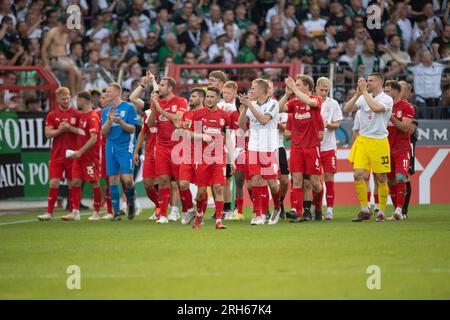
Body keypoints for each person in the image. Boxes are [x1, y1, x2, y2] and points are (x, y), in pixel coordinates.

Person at [343, 73, 393, 222]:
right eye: (367, 81)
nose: (367, 83)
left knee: (381, 177)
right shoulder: (363, 96)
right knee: (358, 174)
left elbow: (376, 108)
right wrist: (358, 93)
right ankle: (364, 209)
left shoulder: (387, 99)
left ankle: (381, 211)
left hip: (379, 141)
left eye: (370, 81)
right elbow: (347, 109)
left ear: (379, 82)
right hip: (363, 140)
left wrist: (364, 92)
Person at [278, 75, 323, 222]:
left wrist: (294, 89)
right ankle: (297, 211)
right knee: (296, 179)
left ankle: (317, 208)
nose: (295, 86)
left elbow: (309, 101)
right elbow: (278, 109)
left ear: (307, 87)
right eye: (294, 84)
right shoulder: (294, 103)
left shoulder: (316, 99)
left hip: (312, 147)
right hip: (296, 148)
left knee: (315, 183)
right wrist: (286, 94)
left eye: (298, 84)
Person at [190, 86, 235, 230]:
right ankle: (199, 215)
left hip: (219, 157)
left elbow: (228, 138)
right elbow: (189, 134)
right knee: (202, 191)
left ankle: (219, 220)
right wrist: (202, 136)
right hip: (202, 157)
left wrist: (232, 159)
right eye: (207, 96)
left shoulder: (224, 116)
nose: (208, 99)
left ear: (217, 99)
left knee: (218, 188)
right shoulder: (198, 114)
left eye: (211, 97)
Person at [238, 79, 281, 225]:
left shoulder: (273, 104)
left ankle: (277, 207)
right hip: (253, 147)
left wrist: (250, 105)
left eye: (253, 88)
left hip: (269, 147)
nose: (251, 91)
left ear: (262, 90)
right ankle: (259, 214)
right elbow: (241, 126)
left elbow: (263, 120)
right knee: (256, 179)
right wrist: (244, 109)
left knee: (273, 184)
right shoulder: (251, 105)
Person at [147, 77, 187, 224]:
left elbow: (177, 120)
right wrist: (154, 108)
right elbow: (151, 124)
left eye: (162, 85)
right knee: (163, 180)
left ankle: (179, 210)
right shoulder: (158, 103)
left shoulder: (181, 101)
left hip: (177, 146)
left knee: (179, 181)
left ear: (170, 88)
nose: (159, 88)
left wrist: (159, 109)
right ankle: (163, 214)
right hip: (162, 146)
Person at [38, 87, 79, 221]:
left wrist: (70, 128)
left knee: (72, 183)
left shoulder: (76, 113)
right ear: (57, 100)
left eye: (67, 98)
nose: (66, 101)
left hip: (72, 154)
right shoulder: (52, 115)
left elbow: (83, 132)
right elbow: (48, 134)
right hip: (57, 155)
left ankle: (74, 211)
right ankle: (49, 213)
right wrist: (60, 130)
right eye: (63, 99)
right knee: (54, 183)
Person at [62, 91, 102, 221]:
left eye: (77, 100)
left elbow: (94, 138)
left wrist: (80, 151)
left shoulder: (92, 117)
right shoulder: (83, 117)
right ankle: (75, 211)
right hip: (79, 157)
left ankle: (96, 212)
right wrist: (70, 128)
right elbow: (82, 132)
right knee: (75, 182)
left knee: (94, 183)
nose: (76, 103)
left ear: (84, 101)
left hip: (90, 157)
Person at [101, 83, 138, 221]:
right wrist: (110, 121)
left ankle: (131, 203)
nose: (106, 94)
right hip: (111, 146)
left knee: (128, 180)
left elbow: (132, 129)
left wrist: (120, 121)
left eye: (109, 91)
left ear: (116, 92)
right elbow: (104, 133)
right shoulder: (105, 111)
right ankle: (116, 212)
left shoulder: (129, 107)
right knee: (113, 179)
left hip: (126, 146)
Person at [131, 71, 160, 221]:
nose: (153, 98)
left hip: (164, 150)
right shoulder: (148, 110)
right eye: (152, 96)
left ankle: (170, 209)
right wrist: (144, 84)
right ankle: (159, 205)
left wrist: (155, 82)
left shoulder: (165, 110)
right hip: (149, 152)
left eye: (156, 96)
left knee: (167, 183)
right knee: (148, 184)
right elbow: (132, 98)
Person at [384, 80, 415, 221]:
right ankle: (397, 212)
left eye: (388, 91)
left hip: (402, 148)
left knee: (401, 177)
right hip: (386, 147)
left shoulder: (407, 107)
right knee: (390, 181)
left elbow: (404, 127)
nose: (386, 93)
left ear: (396, 92)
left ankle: (399, 210)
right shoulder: (383, 107)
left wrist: (390, 116)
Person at [316, 77, 343, 220]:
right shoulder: (312, 102)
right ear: (316, 88)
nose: (324, 92)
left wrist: (326, 125)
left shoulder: (333, 104)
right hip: (313, 146)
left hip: (329, 147)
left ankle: (330, 209)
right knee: (314, 180)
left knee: (329, 177)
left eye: (327, 90)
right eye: (322, 89)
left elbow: (337, 125)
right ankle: (317, 208)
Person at [178, 87, 206, 225]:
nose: (191, 98)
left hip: (203, 155)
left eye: (194, 96)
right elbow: (183, 132)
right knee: (182, 184)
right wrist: (183, 128)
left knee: (202, 188)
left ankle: (200, 215)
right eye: (191, 96)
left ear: (201, 99)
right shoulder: (187, 114)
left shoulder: (206, 114)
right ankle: (189, 210)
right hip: (187, 154)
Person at [41, 18, 83, 97]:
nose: (70, 30)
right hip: (54, 59)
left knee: (80, 74)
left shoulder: (66, 34)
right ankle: (73, 95)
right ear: (63, 25)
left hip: (65, 58)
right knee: (71, 69)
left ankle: (78, 96)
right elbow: (43, 48)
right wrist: (46, 64)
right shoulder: (52, 32)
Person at [97, 90, 114, 220]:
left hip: (118, 148)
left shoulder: (118, 110)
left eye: (104, 97)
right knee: (108, 180)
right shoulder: (98, 113)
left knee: (126, 180)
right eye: (100, 98)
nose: (100, 100)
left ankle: (130, 204)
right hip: (104, 149)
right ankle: (110, 210)